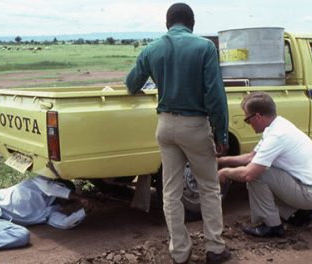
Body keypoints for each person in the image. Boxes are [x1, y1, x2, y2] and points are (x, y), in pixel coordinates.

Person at [125, 3, 231, 264]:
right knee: (208, 187)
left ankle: (180, 252)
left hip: (165, 126)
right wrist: (221, 134)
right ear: (191, 23)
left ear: (167, 24)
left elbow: (131, 84)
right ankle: (215, 249)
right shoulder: (205, 48)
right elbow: (215, 96)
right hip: (195, 125)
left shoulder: (152, 48)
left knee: (171, 192)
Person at [218, 92, 312, 237]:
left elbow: (249, 173)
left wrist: (224, 173)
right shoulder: (278, 126)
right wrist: (220, 161)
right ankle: (302, 214)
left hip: (310, 193)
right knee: (261, 167)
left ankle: (272, 226)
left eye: (247, 119)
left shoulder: (277, 136)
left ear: (257, 116)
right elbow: (251, 156)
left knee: (257, 175)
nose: (249, 124)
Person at [0, 175, 92, 255]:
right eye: (67, 195)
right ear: (62, 188)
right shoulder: (39, 183)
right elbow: (52, 188)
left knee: (22, 235)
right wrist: (78, 197)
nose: (67, 201)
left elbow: (65, 223)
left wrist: (85, 210)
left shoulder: (51, 211)